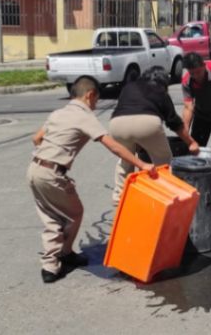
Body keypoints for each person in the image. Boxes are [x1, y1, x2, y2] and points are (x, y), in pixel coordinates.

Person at [28, 76, 157, 284]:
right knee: (74, 213)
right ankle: (57, 259)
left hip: (35, 169)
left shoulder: (58, 112)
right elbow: (113, 145)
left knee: (51, 215)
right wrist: (142, 165)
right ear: (90, 95)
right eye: (96, 101)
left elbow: (37, 138)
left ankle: (57, 259)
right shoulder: (84, 116)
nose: (96, 106)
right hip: (52, 174)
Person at [109, 66, 200, 205]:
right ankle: (166, 195)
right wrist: (191, 143)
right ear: (163, 82)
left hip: (116, 124)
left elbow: (129, 115)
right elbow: (174, 123)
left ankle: (120, 197)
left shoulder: (129, 87)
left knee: (125, 160)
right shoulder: (160, 91)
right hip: (147, 124)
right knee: (163, 162)